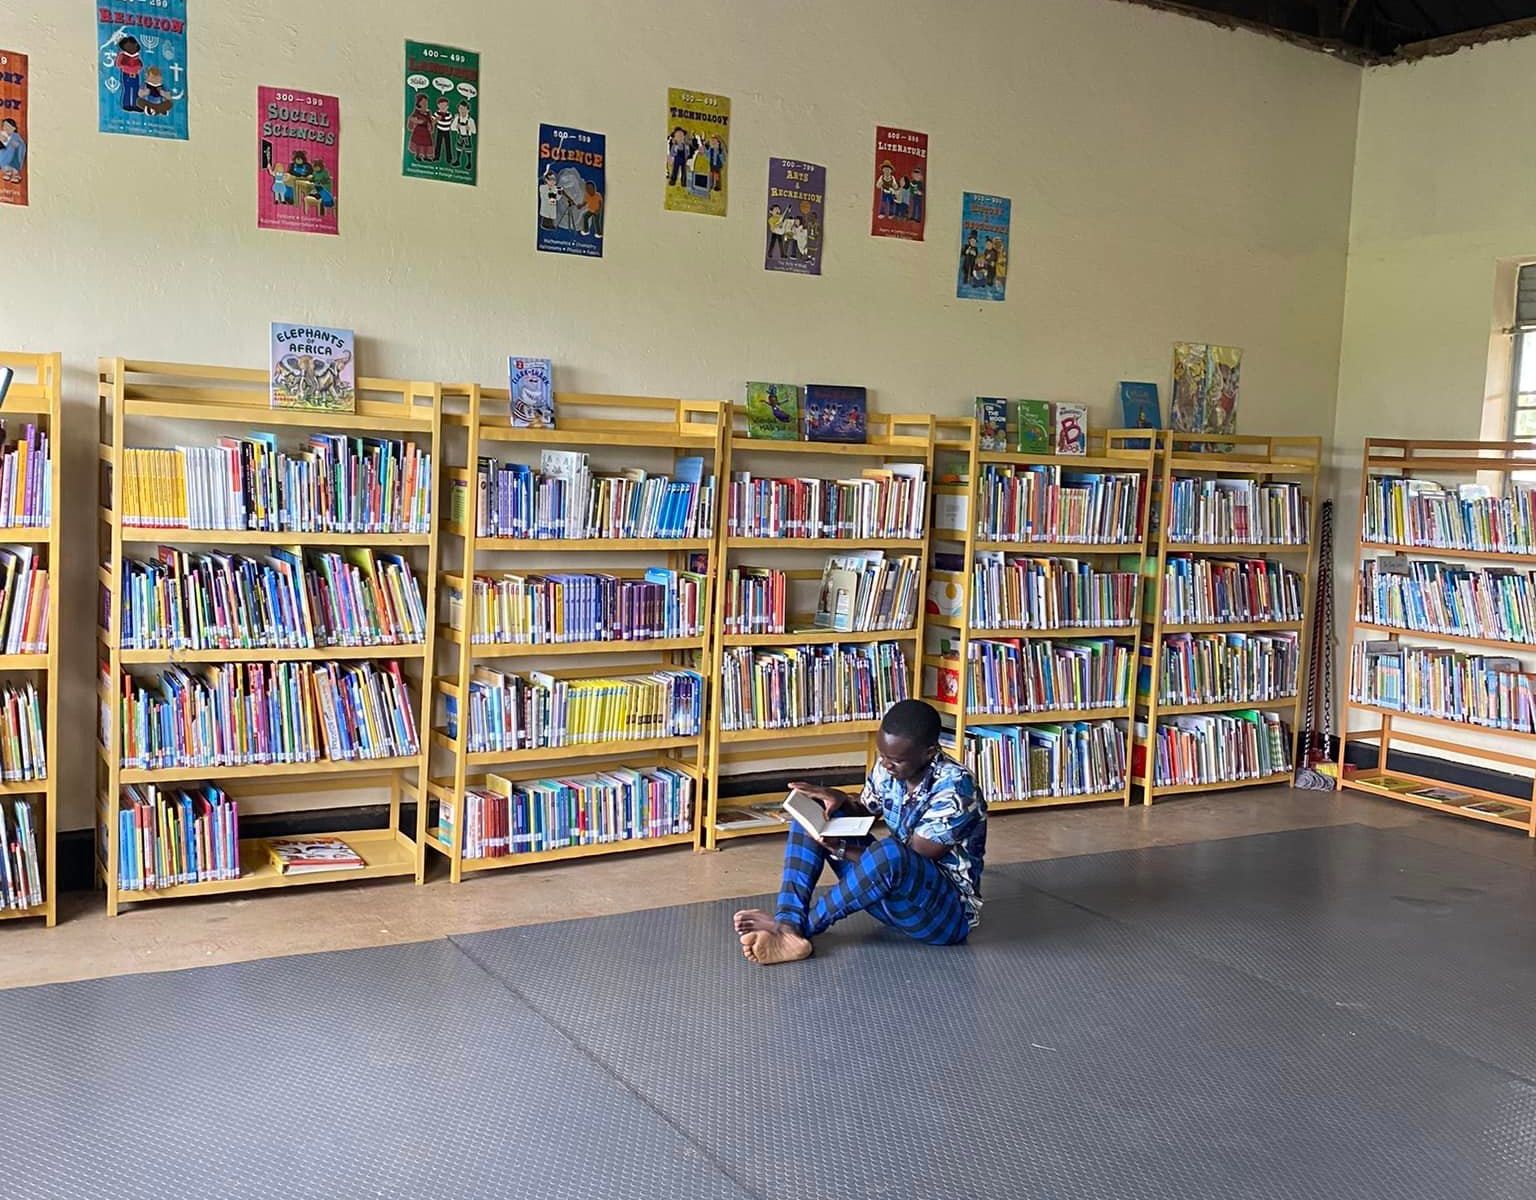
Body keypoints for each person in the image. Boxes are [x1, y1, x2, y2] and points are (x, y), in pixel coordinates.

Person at [733, 699, 987, 965]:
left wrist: (841, 849)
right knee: (814, 814)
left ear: (929, 752)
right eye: (882, 756)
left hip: (941, 916)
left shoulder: (956, 789)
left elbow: (906, 860)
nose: (886, 765)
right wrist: (838, 799)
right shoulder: (889, 766)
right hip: (889, 895)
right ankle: (787, 920)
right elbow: (865, 812)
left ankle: (795, 930)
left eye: (896, 760)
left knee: (890, 853)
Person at [407, 94, 434, 161]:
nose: (425, 104)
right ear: (419, 103)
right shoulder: (417, 111)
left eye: (426, 102)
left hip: (425, 130)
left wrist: (431, 125)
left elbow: (430, 121)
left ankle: (425, 156)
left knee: (426, 143)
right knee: (418, 143)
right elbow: (411, 118)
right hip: (418, 130)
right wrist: (416, 121)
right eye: (423, 102)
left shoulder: (428, 112)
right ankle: (418, 155)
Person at [0, 119, 25, 184]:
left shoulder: (15, 136)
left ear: (14, 128)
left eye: (8, 126)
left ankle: (16, 175)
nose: (6, 128)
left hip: (14, 156)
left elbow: (21, 144)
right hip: (5, 154)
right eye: (4, 126)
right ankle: (8, 173)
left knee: (14, 166)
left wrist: (17, 144)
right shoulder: (3, 135)